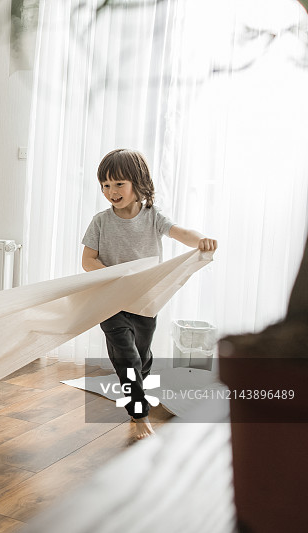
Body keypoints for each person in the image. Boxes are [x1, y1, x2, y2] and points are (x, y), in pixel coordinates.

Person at [81, 148, 218, 440]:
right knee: (127, 357)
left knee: (141, 357)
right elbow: (87, 260)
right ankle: (138, 411)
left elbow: (181, 233)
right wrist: (115, 276)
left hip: (145, 301)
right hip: (110, 301)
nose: (111, 191)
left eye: (119, 184)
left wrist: (201, 240)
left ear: (137, 182)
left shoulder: (153, 217)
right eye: (105, 185)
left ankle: (137, 387)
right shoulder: (100, 222)